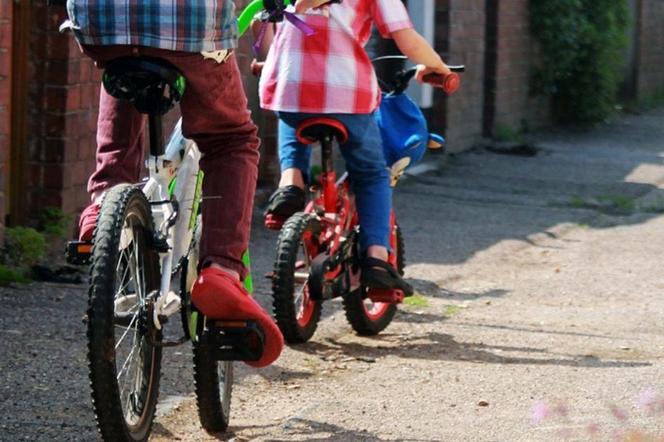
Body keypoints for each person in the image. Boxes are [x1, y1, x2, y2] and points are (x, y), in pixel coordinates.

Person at [61, 0, 334, 368]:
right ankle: (222, 269)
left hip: (101, 21)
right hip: (187, 24)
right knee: (231, 140)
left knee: (120, 61)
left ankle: (105, 201)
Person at [259, 0, 452, 293]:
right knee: (372, 173)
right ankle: (376, 259)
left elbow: (264, 25)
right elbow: (405, 36)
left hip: (290, 86)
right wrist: (437, 66)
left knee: (293, 115)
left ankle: (290, 185)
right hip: (347, 94)